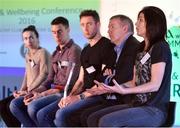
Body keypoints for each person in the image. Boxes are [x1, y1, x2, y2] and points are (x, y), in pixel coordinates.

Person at [88, 6, 172, 127]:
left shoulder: (160, 47)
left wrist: (125, 91)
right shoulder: (140, 47)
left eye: (141, 20)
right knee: (93, 118)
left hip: (154, 109)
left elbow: (155, 84)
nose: (136, 23)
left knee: (106, 121)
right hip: (137, 104)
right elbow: (134, 81)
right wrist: (110, 88)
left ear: (153, 23)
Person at [53, 11, 133, 127]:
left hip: (97, 95)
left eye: (89, 24)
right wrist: (69, 97)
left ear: (98, 24)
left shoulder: (108, 46)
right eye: (82, 25)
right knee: (50, 112)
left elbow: (104, 80)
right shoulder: (85, 50)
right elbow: (80, 80)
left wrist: (79, 97)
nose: (85, 28)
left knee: (61, 115)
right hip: (85, 94)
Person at [9, 17, 81, 127]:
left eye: (59, 31)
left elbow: (68, 84)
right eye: (53, 32)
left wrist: (42, 94)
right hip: (52, 91)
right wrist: (32, 92)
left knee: (33, 108)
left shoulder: (74, 50)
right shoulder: (55, 53)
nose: (56, 35)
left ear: (68, 30)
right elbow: (48, 80)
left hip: (65, 93)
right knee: (15, 104)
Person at [0, 25, 51, 127]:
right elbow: (27, 74)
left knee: (13, 105)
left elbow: (44, 74)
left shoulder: (43, 52)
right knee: (2, 105)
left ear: (37, 38)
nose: (29, 40)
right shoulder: (28, 55)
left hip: (39, 90)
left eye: (31, 37)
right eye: (26, 38)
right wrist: (20, 90)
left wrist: (28, 90)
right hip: (28, 90)